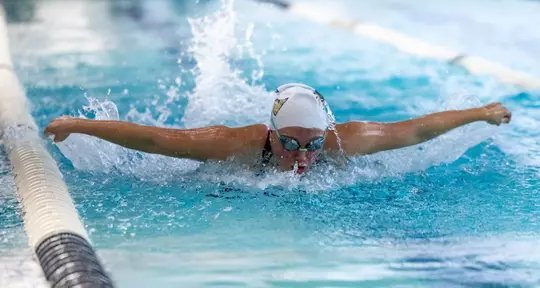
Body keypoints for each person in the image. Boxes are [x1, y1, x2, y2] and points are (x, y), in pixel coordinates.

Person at [44, 83, 512, 174]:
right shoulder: (234, 143)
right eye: (289, 143)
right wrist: (80, 124)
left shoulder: (343, 140)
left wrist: (478, 113)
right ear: (271, 134)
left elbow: (413, 131)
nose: (303, 156)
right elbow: (155, 139)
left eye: (312, 144)